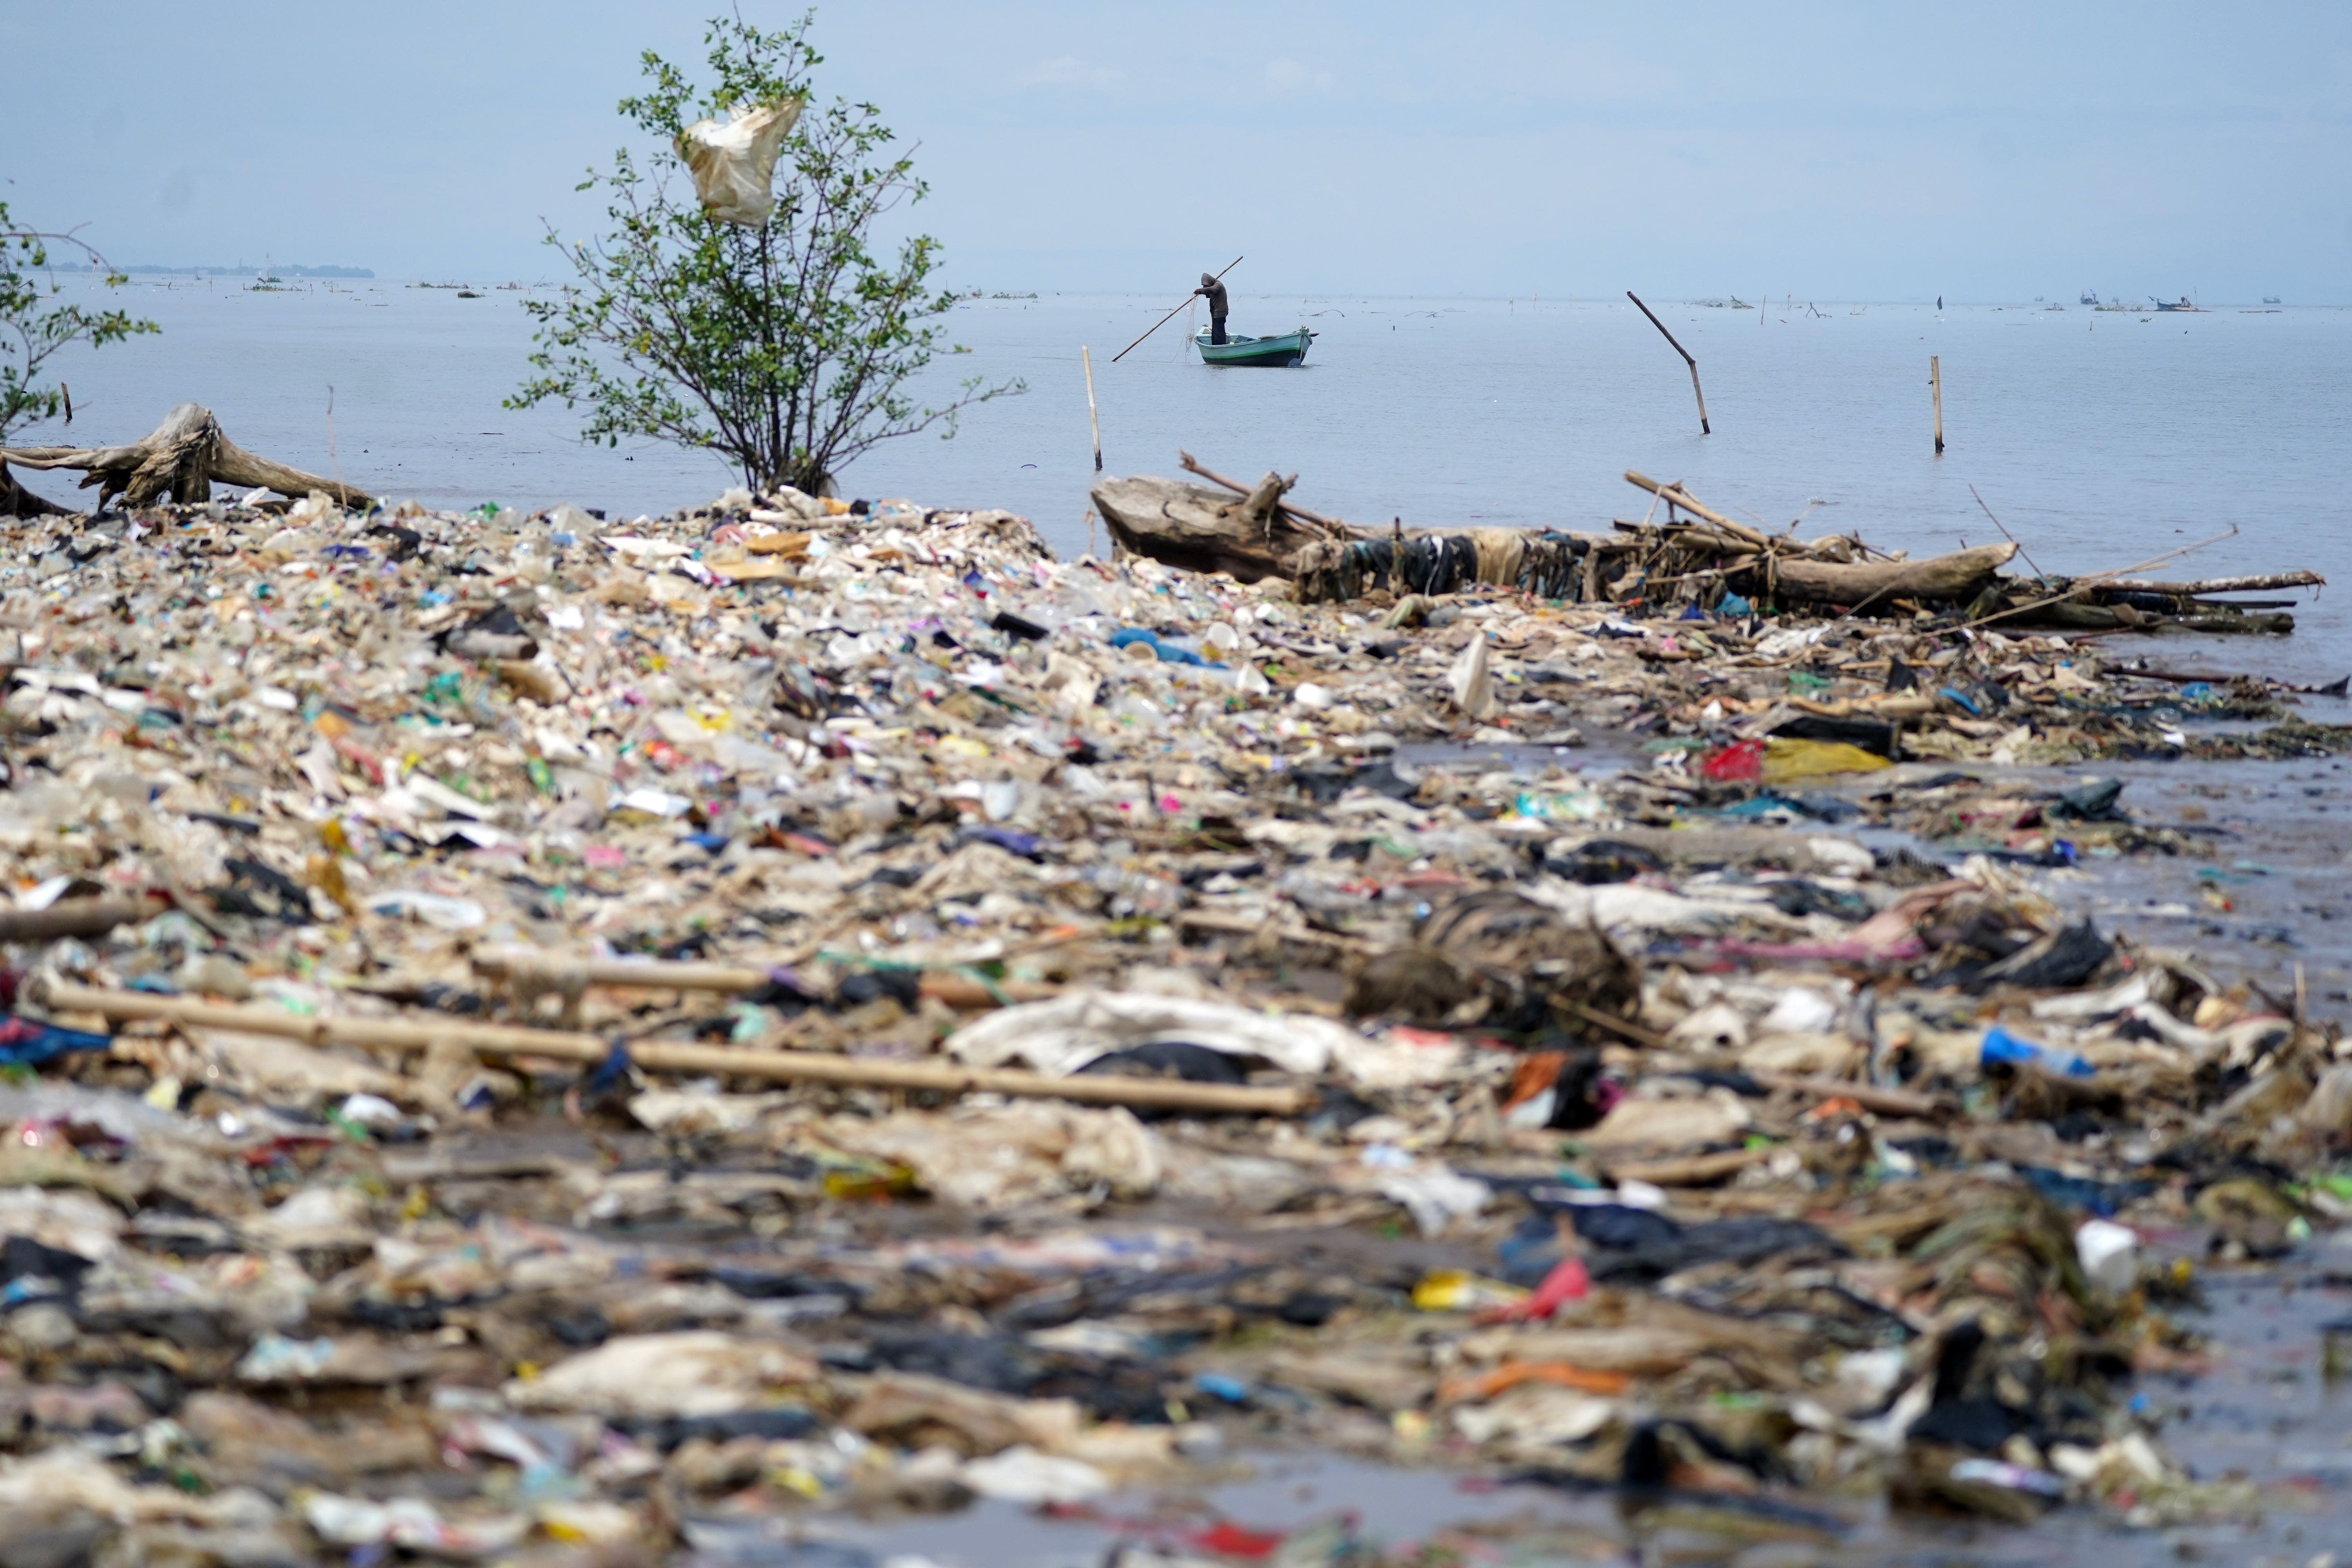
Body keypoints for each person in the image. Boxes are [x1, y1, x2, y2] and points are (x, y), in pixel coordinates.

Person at [1194, 272, 1229, 345]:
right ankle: (1217, 345)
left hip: (1220, 313)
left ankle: (1219, 347)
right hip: (1217, 313)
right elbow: (1209, 292)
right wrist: (1202, 291)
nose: (1206, 287)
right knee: (1216, 332)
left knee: (1218, 332)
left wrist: (1200, 291)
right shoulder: (1215, 286)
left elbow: (1213, 290)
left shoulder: (1218, 285)